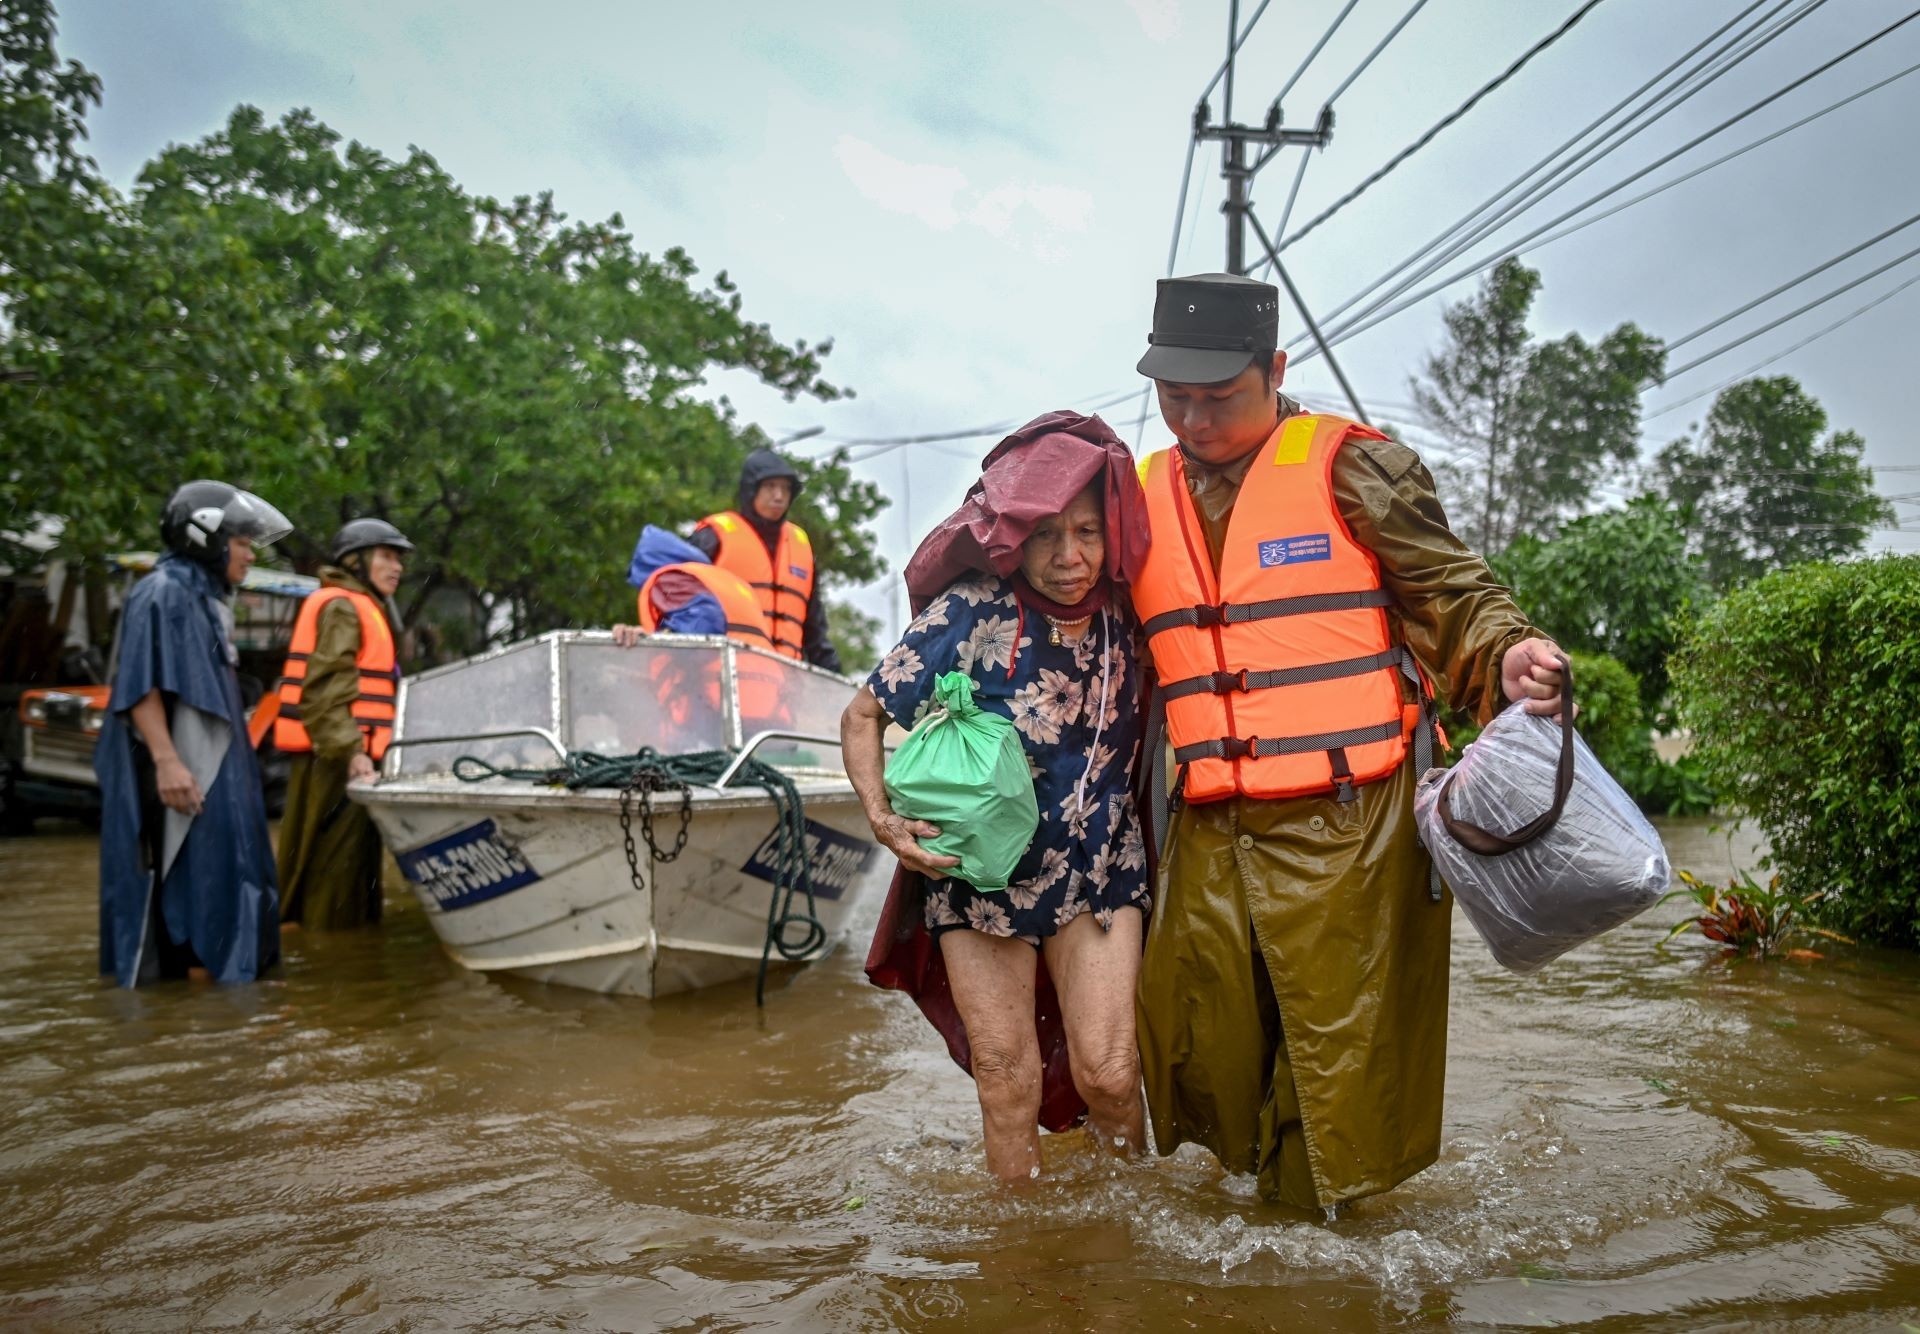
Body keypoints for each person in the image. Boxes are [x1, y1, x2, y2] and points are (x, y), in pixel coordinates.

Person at [1131, 272, 1567, 1212]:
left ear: (1276, 370)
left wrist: (1513, 650)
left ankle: (1317, 1254)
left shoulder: (1357, 467)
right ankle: (1246, 1252)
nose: (1195, 421)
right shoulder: (1135, 493)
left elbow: (1452, 590)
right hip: (1209, 825)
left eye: (1220, 397)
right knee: (1206, 1047)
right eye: (1175, 399)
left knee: (1333, 1064)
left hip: (1350, 822)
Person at [847, 411, 1153, 1182]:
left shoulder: (1135, 613)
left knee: (1112, 1075)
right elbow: (862, 715)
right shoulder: (972, 609)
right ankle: (1020, 1264)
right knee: (1006, 1078)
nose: (1068, 556)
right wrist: (883, 820)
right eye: (1045, 535)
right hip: (978, 873)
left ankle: (1132, 1248)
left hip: (1099, 867)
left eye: (1086, 531)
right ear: (1015, 540)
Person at [95, 480, 292, 986]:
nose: (250, 555)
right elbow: (139, 688)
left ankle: (224, 983)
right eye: (243, 543)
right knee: (191, 877)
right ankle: (197, 982)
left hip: (217, 767)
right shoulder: (162, 593)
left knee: (229, 869)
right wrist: (167, 761)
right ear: (206, 537)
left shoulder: (205, 598)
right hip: (181, 769)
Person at [273, 518, 411, 931]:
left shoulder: (362, 605)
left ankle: (338, 954)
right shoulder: (342, 606)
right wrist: (352, 753)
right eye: (386, 556)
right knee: (333, 868)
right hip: (337, 758)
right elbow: (324, 690)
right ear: (355, 561)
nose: (397, 567)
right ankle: (328, 960)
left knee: (348, 869)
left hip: (348, 754)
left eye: (399, 559)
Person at [689, 449, 841, 670]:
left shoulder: (800, 545)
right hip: (724, 678)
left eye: (785, 489)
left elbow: (815, 633)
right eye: (770, 487)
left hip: (786, 688)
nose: (779, 496)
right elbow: (676, 597)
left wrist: (841, 688)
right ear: (751, 489)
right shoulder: (714, 536)